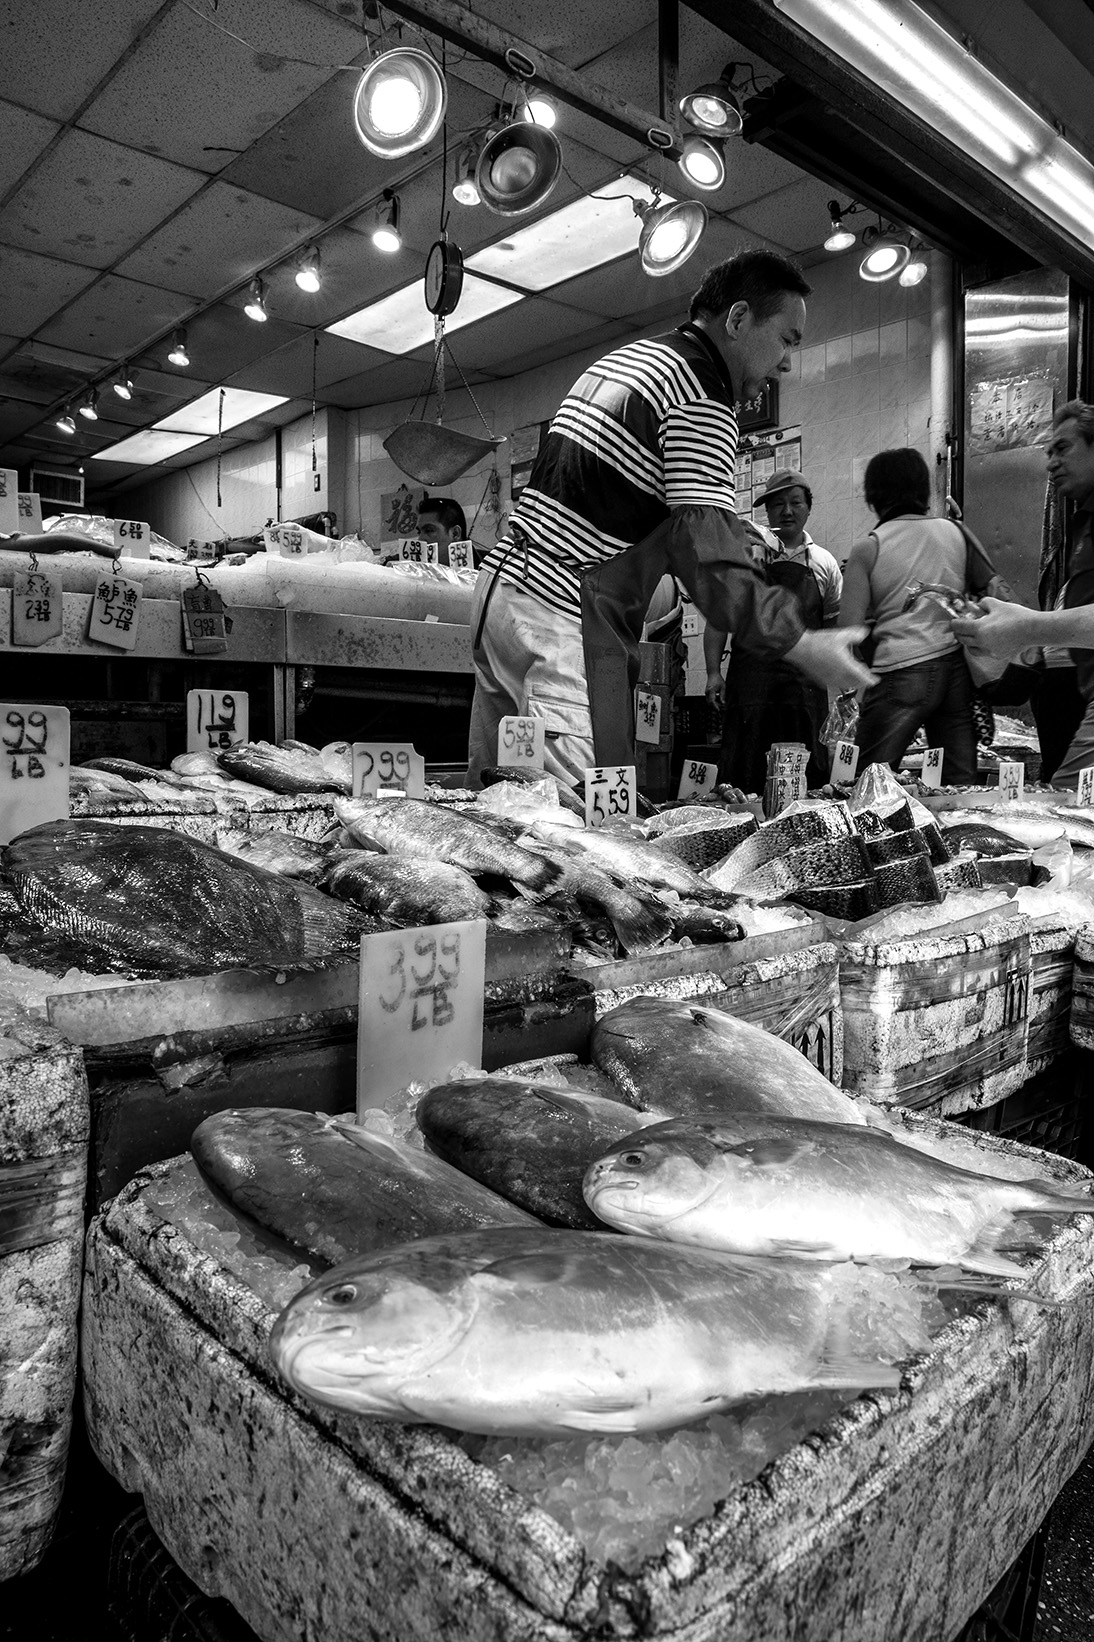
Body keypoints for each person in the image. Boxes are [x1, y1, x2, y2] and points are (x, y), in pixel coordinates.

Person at [465, 250, 874, 786]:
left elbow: (609, 500)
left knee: (496, 804)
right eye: (786, 340)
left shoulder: (631, 360)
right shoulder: (702, 390)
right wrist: (802, 643)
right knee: (580, 826)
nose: (787, 363)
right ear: (738, 319)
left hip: (500, 596)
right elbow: (705, 551)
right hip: (560, 611)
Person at [955, 403, 1094, 788]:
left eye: (1062, 449)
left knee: (1068, 811)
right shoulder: (1083, 522)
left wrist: (1027, 628)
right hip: (1077, 688)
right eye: (1048, 452)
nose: (1051, 463)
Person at [839, 447, 977, 783]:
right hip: (957, 670)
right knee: (959, 784)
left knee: (867, 784)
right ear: (922, 489)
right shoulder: (956, 533)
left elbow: (848, 632)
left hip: (900, 672)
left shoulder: (870, 546)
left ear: (873, 496)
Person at [703, 469, 841, 793]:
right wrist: (712, 673)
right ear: (767, 511)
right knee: (745, 776)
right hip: (751, 689)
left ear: (809, 507)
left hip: (804, 693)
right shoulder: (746, 556)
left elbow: (832, 628)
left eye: (795, 502)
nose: (787, 511)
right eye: (778, 504)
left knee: (806, 785)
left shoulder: (824, 563)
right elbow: (719, 619)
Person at [416, 496, 470, 567]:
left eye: (429, 530)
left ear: (455, 534)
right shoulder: (414, 573)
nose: (420, 540)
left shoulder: (486, 572)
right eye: (419, 532)